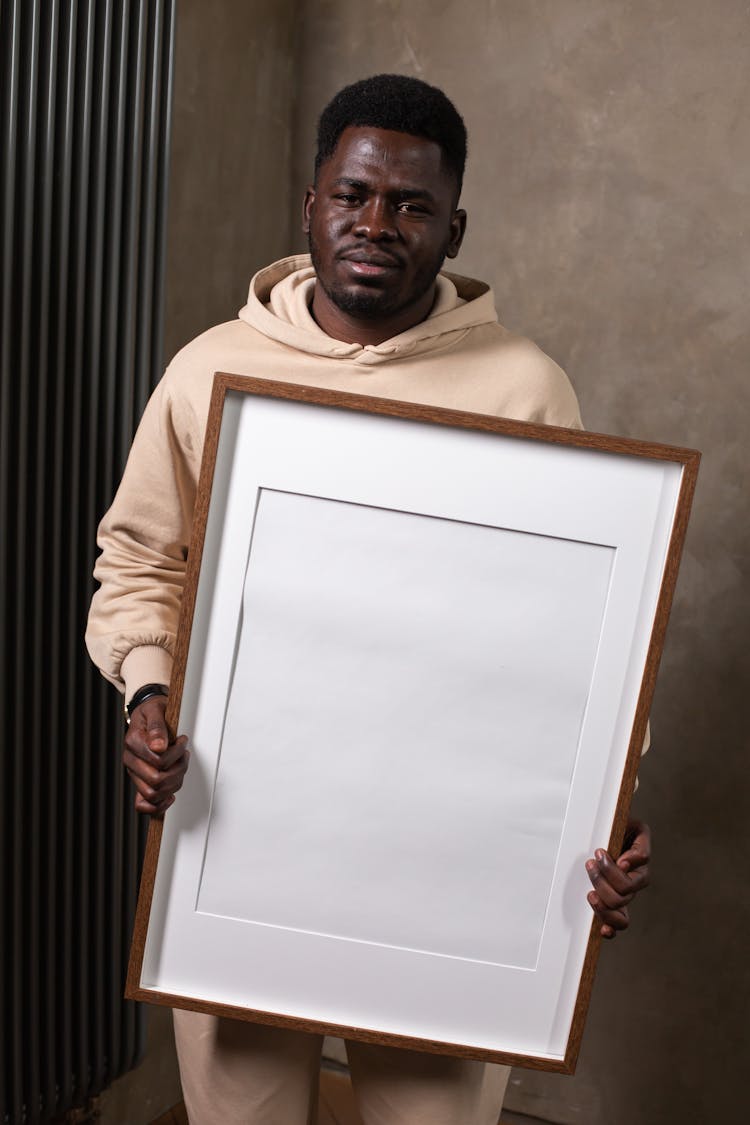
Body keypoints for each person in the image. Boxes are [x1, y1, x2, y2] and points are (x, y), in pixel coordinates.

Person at [86, 74, 650, 1125]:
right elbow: (142, 559)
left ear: (454, 225)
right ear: (312, 205)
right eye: (354, 194)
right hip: (240, 838)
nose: (377, 223)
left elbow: (585, 629)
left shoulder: (525, 391)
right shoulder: (212, 368)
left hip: (446, 865)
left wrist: (610, 804)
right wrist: (148, 695)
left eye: (412, 205)